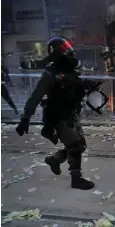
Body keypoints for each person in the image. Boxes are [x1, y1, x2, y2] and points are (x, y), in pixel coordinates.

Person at [16, 36, 95, 190]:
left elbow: (74, 88)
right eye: (64, 48)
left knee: (80, 145)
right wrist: (25, 118)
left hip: (71, 113)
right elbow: (35, 97)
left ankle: (56, 159)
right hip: (58, 115)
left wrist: (86, 87)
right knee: (75, 145)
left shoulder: (70, 69)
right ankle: (76, 179)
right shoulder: (50, 74)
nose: (69, 51)